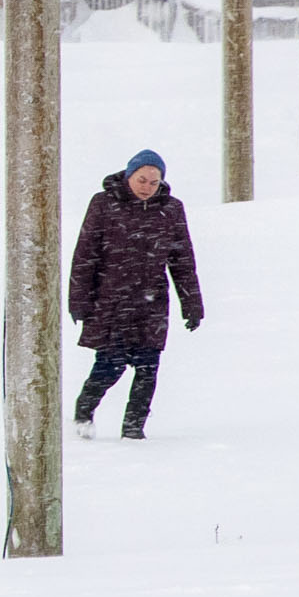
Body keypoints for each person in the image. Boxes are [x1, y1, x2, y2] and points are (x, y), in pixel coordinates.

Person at [67, 148, 203, 439]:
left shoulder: (171, 209)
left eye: (154, 183)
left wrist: (192, 305)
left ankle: (133, 431)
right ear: (129, 176)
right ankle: (84, 411)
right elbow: (85, 255)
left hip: (151, 305)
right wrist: (78, 300)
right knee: (110, 365)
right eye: (142, 180)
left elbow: (183, 261)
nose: (147, 187)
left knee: (147, 368)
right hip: (112, 301)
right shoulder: (104, 204)